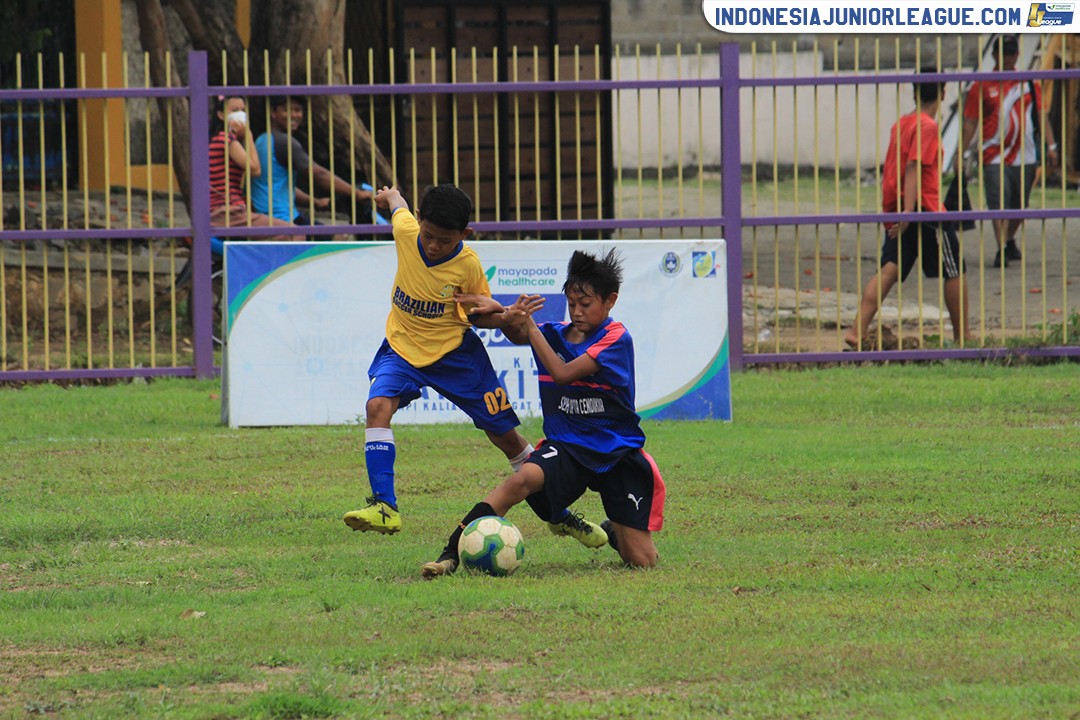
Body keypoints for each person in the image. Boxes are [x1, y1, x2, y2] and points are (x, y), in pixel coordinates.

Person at [343, 184, 606, 551]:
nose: (434, 245)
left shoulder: (467, 265)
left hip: (456, 356)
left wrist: (506, 316)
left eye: (445, 240)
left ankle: (558, 515)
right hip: (402, 349)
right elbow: (398, 205)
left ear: (464, 234)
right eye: (429, 235)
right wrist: (389, 196)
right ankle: (385, 506)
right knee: (377, 407)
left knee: (508, 440)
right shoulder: (405, 230)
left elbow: (478, 316)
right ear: (418, 221)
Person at [422, 248, 665, 577]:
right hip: (568, 446)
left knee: (641, 561)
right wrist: (504, 312)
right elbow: (515, 331)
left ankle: (615, 530)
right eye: (572, 303)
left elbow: (562, 373)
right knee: (521, 480)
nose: (576, 312)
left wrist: (530, 327)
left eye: (586, 304)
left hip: (616, 450)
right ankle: (451, 552)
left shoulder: (616, 338)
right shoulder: (556, 332)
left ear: (610, 301)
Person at [844, 70, 971, 350]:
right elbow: (913, 166)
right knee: (955, 268)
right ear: (942, 93)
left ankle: (856, 330)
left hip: (901, 207)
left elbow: (894, 168)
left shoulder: (901, 124)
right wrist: (909, 212)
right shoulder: (927, 126)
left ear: (915, 92)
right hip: (924, 210)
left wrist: (899, 210)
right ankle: (963, 338)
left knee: (889, 269)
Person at [958, 34, 1059, 268]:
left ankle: (1009, 239)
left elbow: (1041, 116)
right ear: (994, 55)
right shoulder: (981, 85)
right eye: (1004, 53)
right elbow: (970, 122)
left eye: (1012, 53)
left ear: (1017, 55)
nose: (1008, 57)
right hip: (993, 154)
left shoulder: (1028, 83)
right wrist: (960, 153)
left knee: (1020, 205)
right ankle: (1002, 247)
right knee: (998, 204)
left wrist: (1051, 145)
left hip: (1026, 154)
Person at [250, 96, 382, 240]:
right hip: (283, 219)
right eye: (287, 110)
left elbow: (279, 186)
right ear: (273, 113)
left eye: (297, 110)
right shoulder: (283, 142)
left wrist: (315, 202)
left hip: (271, 216)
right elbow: (319, 174)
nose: (294, 115)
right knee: (338, 238)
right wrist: (357, 193)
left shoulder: (263, 140)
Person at [208, 95, 297, 240]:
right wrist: (247, 135)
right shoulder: (226, 140)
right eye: (234, 110)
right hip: (228, 212)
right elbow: (255, 169)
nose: (240, 114)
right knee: (295, 233)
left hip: (225, 211)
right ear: (221, 115)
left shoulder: (216, 139)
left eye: (243, 110)